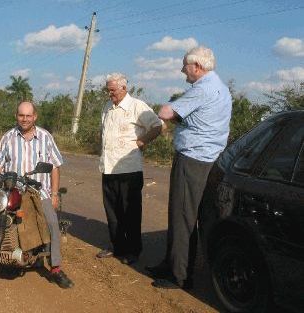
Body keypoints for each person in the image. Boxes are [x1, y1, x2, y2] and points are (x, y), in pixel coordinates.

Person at [146, 46, 232, 289]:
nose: (182, 69)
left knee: (182, 216)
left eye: (185, 64)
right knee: (188, 214)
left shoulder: (202, 89)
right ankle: (172, 264)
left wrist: (174, 112)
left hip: (193, 159)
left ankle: (179, 275)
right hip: (209, 159)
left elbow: (164, 112)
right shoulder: (221, 88)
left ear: (198, 66)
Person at [0, 101, 74, 289]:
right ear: (16, 116)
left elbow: (54, 168)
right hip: (12, 191)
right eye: (21, 115)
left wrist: (54, 194)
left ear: (35, 116)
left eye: (28, 116)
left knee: (51, 223)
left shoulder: (45, 137)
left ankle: (56, 268)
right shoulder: (8, 137)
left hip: (39, 191)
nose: (25, 119)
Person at [96, 73, 163, 265]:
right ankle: (117, 246)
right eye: (108, 90)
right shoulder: (107, 107)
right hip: (108, 167)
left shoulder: (137, 106)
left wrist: (142, 141)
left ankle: (133, 250)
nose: (110, 94)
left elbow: (157, 126)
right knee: (112, 211)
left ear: (124, 88)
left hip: (129, 169)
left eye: (113, 90)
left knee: (130, 212)